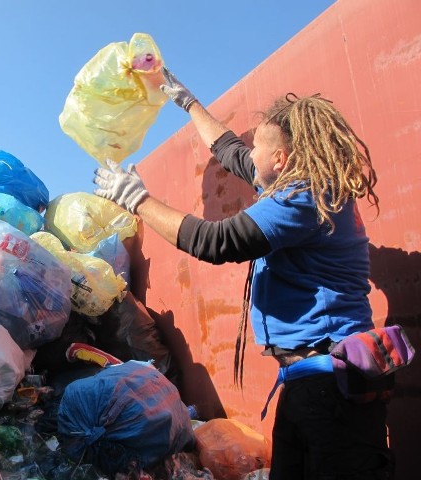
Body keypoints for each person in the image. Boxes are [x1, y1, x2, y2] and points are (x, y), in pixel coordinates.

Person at [93, 67, 393, 479]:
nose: (250, 155)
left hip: (330, 388)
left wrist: (136, 199)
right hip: (310, 382)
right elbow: (231, 150)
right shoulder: (299, 187)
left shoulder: (304, 196)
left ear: (281, 159)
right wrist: (186, 100)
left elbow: (217, 242)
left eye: (259, 149)